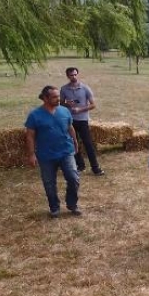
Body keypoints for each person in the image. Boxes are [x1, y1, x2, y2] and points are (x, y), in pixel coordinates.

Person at [25, 86, 82, 218]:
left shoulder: (65, 111)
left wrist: (75, 141)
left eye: (58, 96)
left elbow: (70, 127)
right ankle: (54, 207)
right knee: (49, 183)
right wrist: (31, 154)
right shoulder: (35, 115)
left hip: (66, 151)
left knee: (74, 178)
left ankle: (72, 204)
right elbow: (30, 136)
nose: (59, 99)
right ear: (45, 98)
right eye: (55, 97)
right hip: (46, 155)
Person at [60, 67, 104, 176]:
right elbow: (61, 103)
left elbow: (93, 105)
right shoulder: (64, 89)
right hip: (70, 121)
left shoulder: (85, 88)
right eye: (71, 75)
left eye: (75, 74)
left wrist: (80, 109)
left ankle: (95, 168)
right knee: (73, 143)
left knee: (88, 144)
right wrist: (67, 103)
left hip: (83, 120)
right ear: (67, 76)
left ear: (78, 74)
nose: (74, 77)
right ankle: (80, 165)